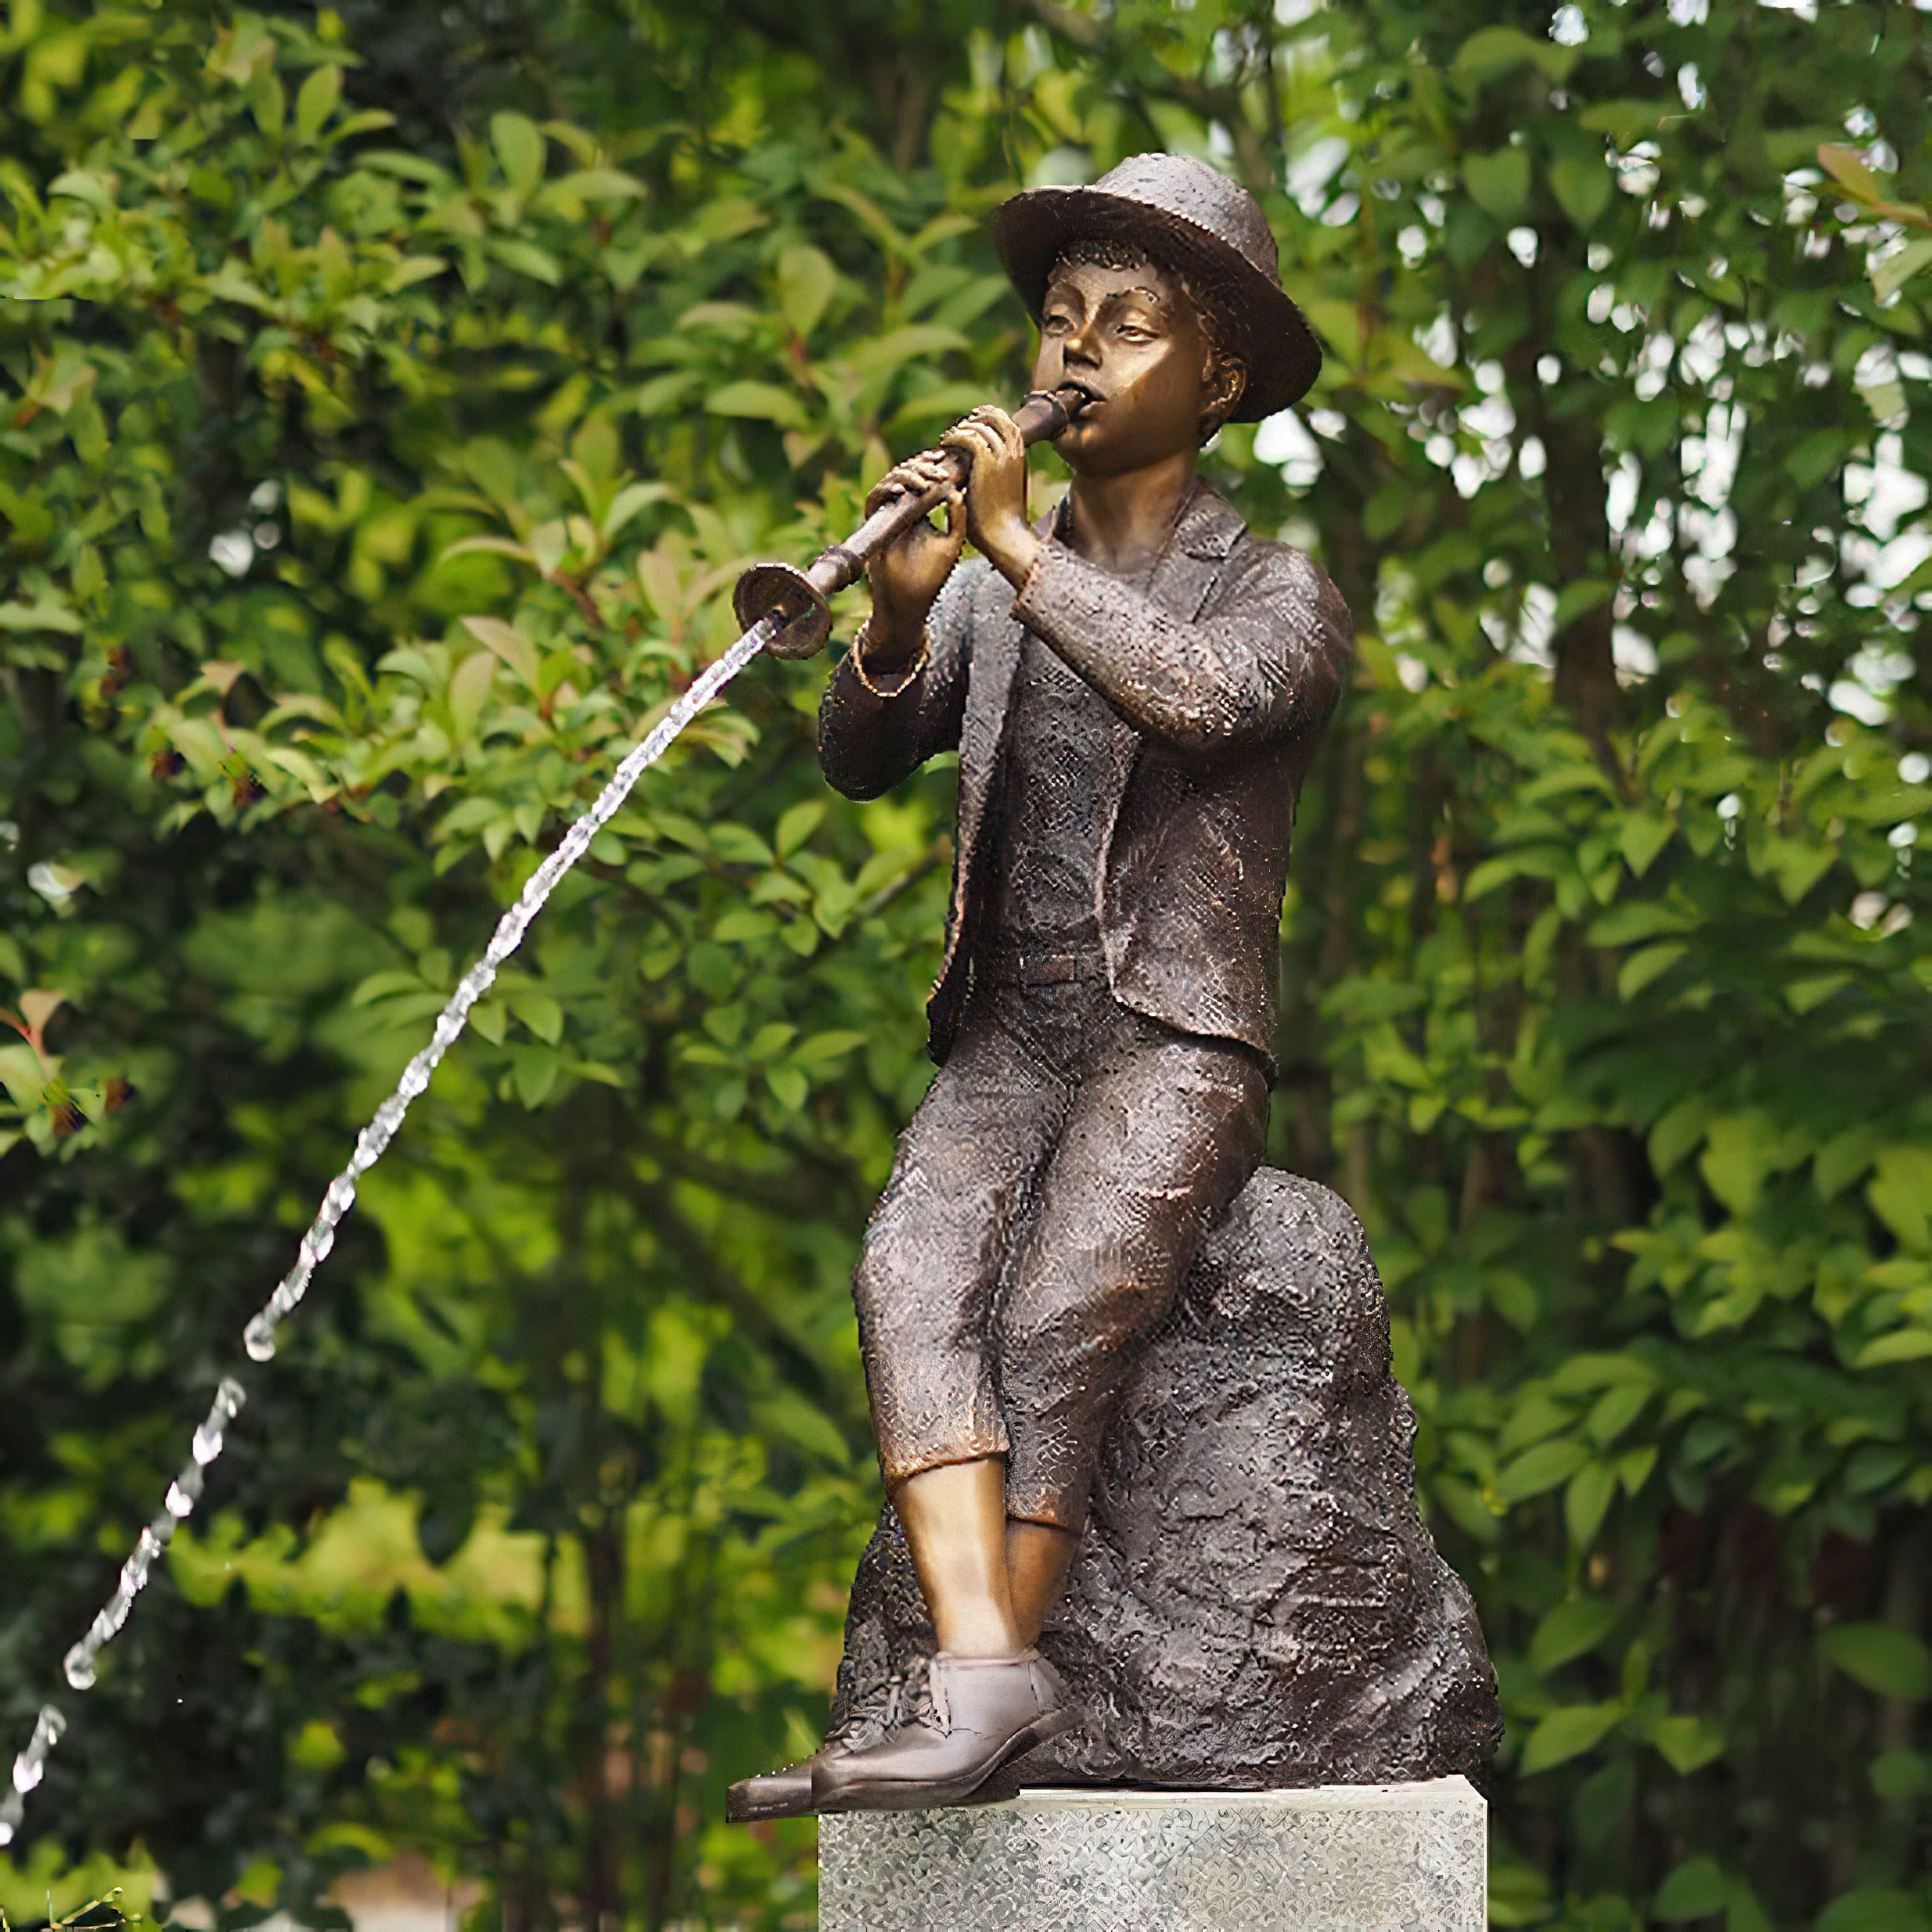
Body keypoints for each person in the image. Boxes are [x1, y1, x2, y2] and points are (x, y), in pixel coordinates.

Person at [729, 151, 1352, 1819]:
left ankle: (977, 1694)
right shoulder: (1010, 588)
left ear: (1216, 378)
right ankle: (983, 1679)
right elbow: (866, 755)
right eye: (1061, 319)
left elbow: (1211, 702)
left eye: (1127, 329)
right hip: (1012, 1032)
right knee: (903, 1273)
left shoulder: (1274, 589)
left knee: (1060, 1310)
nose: (1074, 355)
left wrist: (1015, 554)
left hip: (1168, 1033)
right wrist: (895, 621)